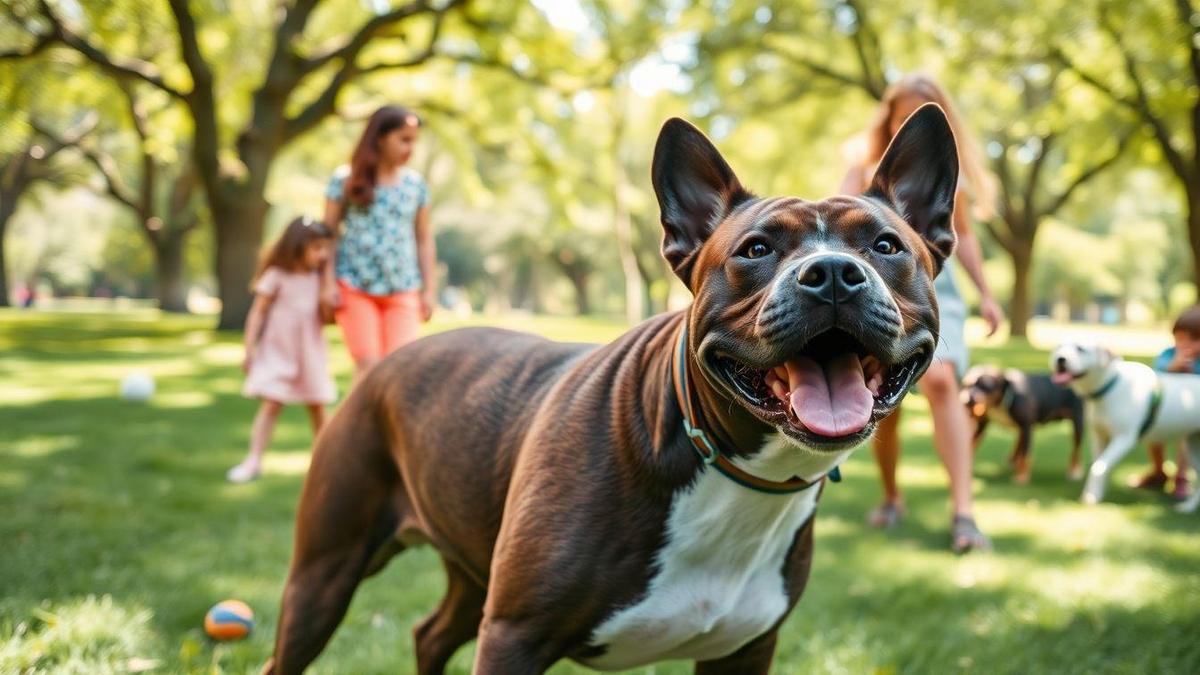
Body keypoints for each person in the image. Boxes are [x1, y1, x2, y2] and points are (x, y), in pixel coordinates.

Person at [840, 74, 1004, 553]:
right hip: (877, 288)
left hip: (936, 289)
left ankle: (964, 513)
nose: (910, 119)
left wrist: (988, 293)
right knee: (882, 398)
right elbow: (835, 213)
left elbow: (966, 238)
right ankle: (892, 496)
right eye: (902, 111)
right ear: (888, 116)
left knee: (939, 380)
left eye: (923, 109)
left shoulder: (950, 176)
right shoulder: (863, 165)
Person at [321, 105, 436, 383]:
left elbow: (423, 239)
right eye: (404, 139)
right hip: (355, 285)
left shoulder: (415, 186)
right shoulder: (345, 180)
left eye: (414, 141)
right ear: (381, 137)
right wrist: (327, 284)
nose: (410, 148)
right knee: (369, 367)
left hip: (403, 288)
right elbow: (328, 235)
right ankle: (354, 428)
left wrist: (429, 290)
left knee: (398, 371)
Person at [227, 217, 337, 483]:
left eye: (325, 248)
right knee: (271, 404)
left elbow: (329, 317)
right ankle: (253, 460)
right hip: (279, 351)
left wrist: (327, 295)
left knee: (317, 407)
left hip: (310, 353)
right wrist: (249, 348)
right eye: (316, 248)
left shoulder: (320, 280)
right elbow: (258, 313)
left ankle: (327, 462)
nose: (322, 255)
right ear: (298, 245)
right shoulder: (277, 275)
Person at [1130, 304, 1200, 499]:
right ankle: (1159, 471)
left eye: (1193, 340)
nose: (1185, 345)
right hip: (1166, 412)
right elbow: (1157, 377)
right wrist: (1174, 366)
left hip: (1191, 416)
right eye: (1180, 339)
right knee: (1154, 437)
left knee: (1185, 442)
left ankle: (1181, 477)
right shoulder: (1169, 355)